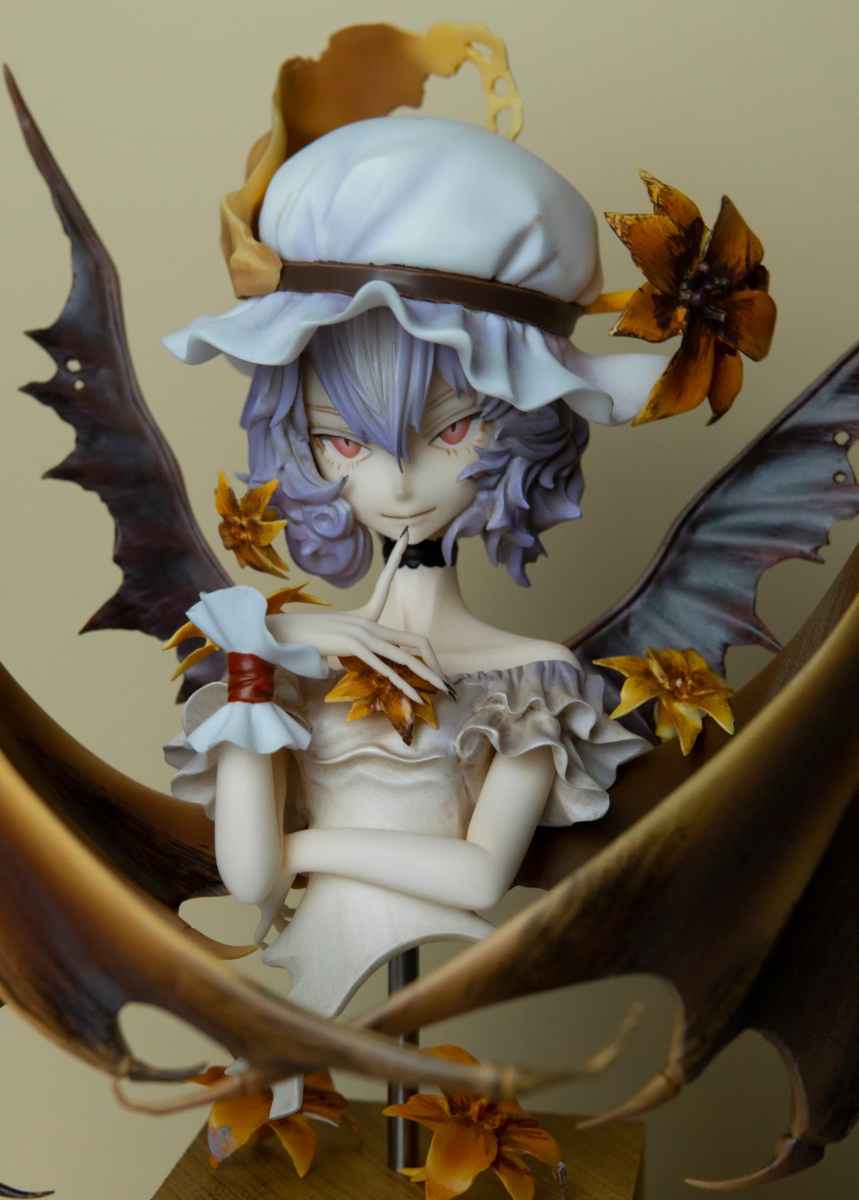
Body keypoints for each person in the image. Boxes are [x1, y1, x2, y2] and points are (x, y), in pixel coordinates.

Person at [161, 114, 660, 1116]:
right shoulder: (279, 664)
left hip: (447, 972)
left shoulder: (531, 680)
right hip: (300, 1007)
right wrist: (277, 641)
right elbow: (247, 878)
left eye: (452, 430)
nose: (397, 483)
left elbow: (478, 882)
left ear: (522, 427)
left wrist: (307, 851)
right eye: (344, 442)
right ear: (302, 442)